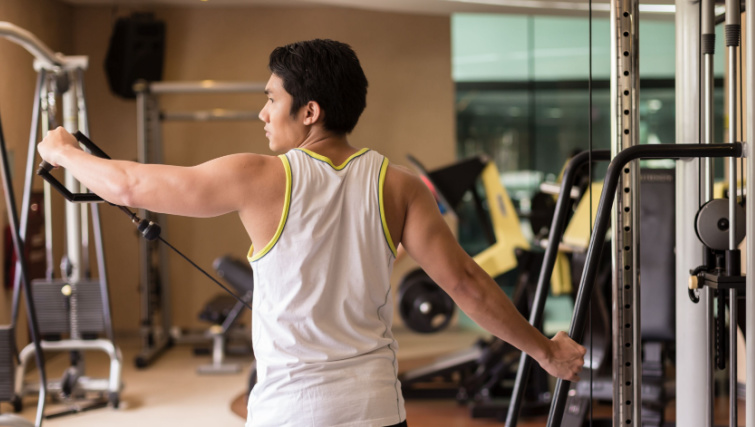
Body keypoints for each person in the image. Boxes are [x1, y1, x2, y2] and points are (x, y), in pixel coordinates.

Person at [38, 39, 585, 427]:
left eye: (272, 99)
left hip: (292, 414)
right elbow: (465, 282)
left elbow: (129, 184)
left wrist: (62, 152)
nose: (263, 112)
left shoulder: (258, 175)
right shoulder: (400, 187)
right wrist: (544, 351)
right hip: (377, 411)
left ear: (310, 111)